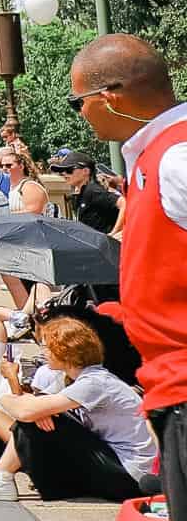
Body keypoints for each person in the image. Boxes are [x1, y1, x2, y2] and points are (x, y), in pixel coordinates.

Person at [69, 33, 187, 516]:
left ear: (108, 98)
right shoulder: (159, 153)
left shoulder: (176, 157)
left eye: (80, 102)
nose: (80, 113)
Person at [0, 314, 158, 502]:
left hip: (130, 476)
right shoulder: (77, 378)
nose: (44, 353)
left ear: (66, 351)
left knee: (35, 419)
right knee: (38, 417)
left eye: (48, 347)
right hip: (118, 464)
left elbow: (25, 411)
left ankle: (0, 479)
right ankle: (1, 475)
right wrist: (35, 406)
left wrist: (16, 397)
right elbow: (32, 405)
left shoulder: (95, 383)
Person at [49, 150, 122, 235]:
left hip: (105, 245)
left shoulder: (92, 190)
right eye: (61, 171)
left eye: (69, 170)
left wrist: (114, 233)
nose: (64, 173)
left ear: (86, 171)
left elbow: (123, 203)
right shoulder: (81, 194)